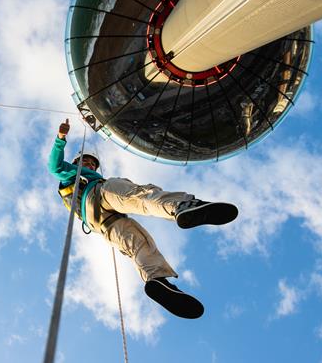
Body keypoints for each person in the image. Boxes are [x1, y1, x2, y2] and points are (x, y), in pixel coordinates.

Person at [48, 119, 238, 319]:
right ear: (77, 163)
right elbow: (54, 166)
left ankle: (156, 280)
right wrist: (61, 138)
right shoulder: (72, 172)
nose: (89, 164)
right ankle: (182, 206)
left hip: (102, 223)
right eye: (86, 162)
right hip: (99, 194)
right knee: (139, 196)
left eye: (92, 163)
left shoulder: (77, 178)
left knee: (139, 242)